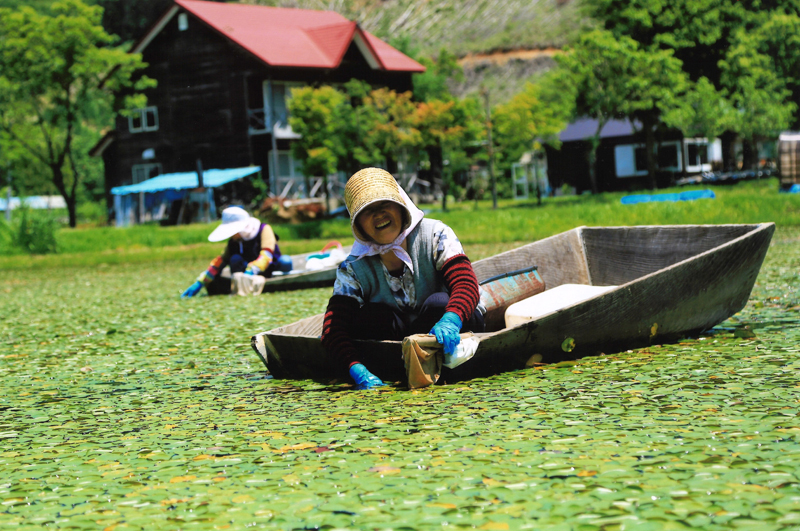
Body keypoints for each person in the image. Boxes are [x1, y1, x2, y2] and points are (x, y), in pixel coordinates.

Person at [321, 168, 485, 389]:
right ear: (358, 224)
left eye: (384, 204)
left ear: (401, 207)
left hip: (453, 330)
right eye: (367, 210)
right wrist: (356, 369)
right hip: (398, 341)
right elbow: (333, 330)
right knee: (370, 316)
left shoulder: (435, 234)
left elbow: (466, 284)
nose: (379, 214)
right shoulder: (353, 267)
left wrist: (451, 320)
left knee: (438, 303)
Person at [181, 206, 293, 297]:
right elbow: (221, 261)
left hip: (269, 268)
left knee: (286, 262)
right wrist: (201, 281)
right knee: (234, 259)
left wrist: (250, 271)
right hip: (245, 272)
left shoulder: (264, 229)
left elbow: (266, 255)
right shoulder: (233, 241)